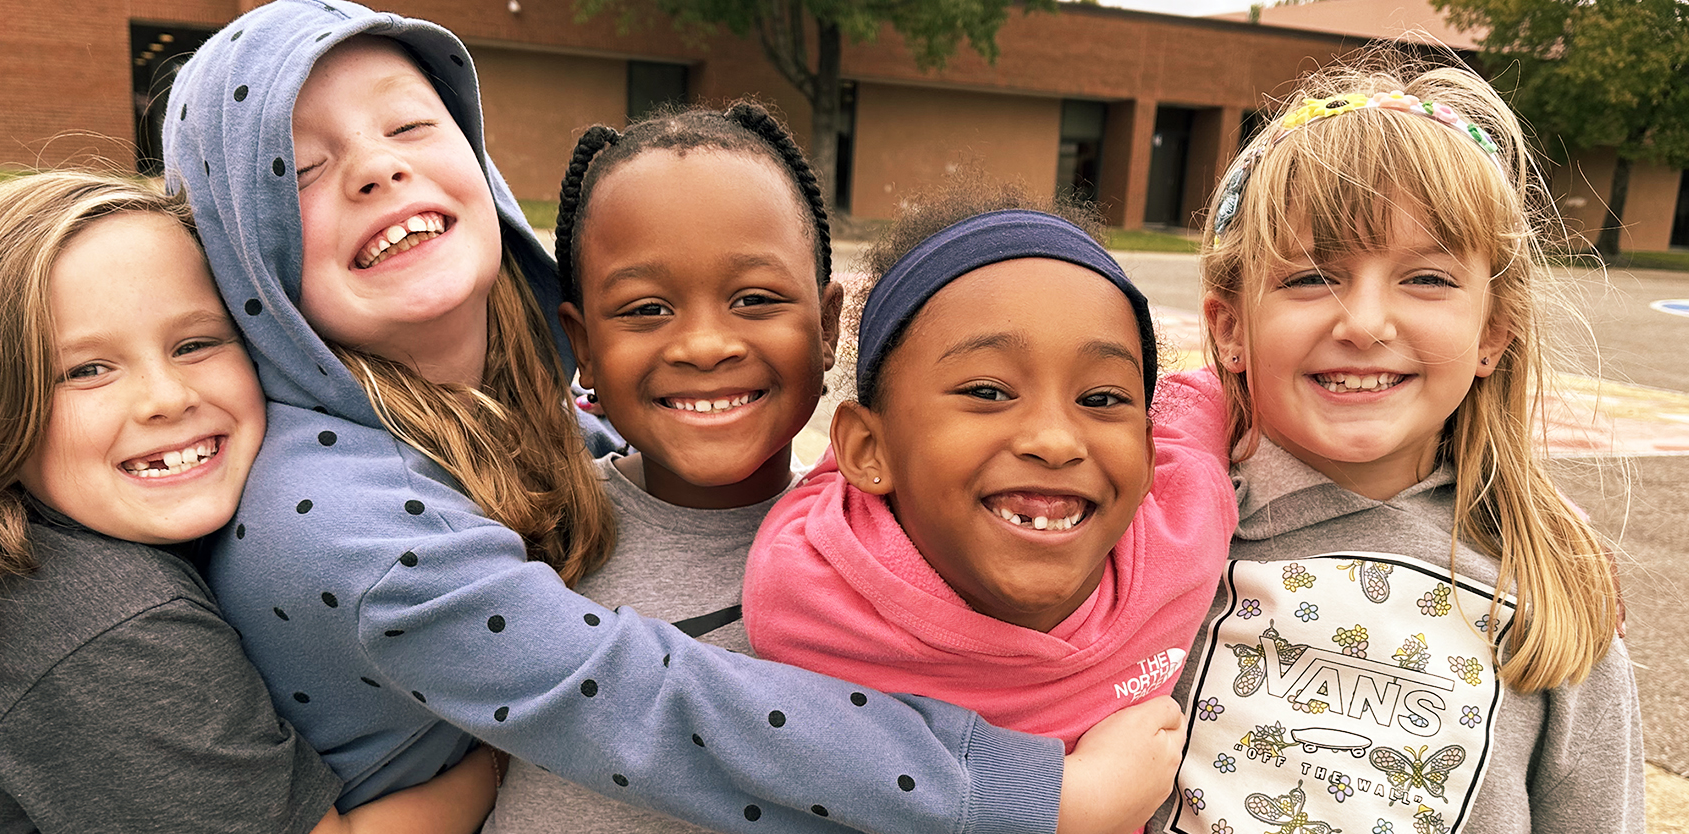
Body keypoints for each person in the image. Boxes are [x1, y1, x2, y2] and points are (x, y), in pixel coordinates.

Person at [161, 2, 1182, 831]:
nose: (377, 166)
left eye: (410, 124)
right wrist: (1040, 796)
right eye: (296, 167)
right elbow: (634, 700)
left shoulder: (528, 445)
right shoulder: (336, 515)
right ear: (244, 250)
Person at [0, 170, 499, 833]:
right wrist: (504, 763)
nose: (165, 398)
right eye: (86, 369)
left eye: (195, 344)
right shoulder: (97, 616)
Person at [1157, 55, 1643, 834]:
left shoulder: (1554, 588)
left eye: (1427, 279)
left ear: (1492, 334)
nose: (1365, 323)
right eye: (1312, 276)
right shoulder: (1150, 532)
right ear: (1230, 327)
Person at [740, 180, 1237, 750]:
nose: (1055, 442)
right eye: (988, 391)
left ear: (1149, 458)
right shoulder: (809, 595)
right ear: (867, 451)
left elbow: (1212, 395)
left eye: (1100, 399)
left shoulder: (1186, 520)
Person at [484, 101, 842, 833]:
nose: (705, 345)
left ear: (829, 326)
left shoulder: (880, 554)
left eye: (754, 299)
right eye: (646, 309)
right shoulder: (530, 530)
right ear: (581, 344)